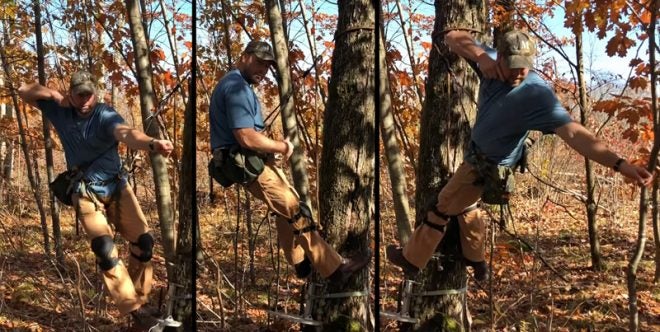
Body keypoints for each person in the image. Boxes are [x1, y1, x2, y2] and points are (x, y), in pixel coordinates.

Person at [387, 29, 653, 281]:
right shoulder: (490, 61)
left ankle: (412, 259)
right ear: (499, 56)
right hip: (477, 155)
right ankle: (476, 260)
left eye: (523, 66)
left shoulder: (537, 96)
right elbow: (453, 37)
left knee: (442, 206)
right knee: (467, 205)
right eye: (511, 64)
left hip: (486, 166)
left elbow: (575, 134)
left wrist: (620, 164)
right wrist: (480, 57)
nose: (517, 72)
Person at [18, 71, 175, 329]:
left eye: (88, 94)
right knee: (104, 248)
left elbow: (127, 133)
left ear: (95, 93)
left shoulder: (105, 114)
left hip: (116, 186)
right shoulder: (61, 112)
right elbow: (25, 89)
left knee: (144, 243)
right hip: (84, 191)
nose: (84, 100)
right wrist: (57, 96)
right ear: (71, 94)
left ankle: (142, 299)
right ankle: (134, 310)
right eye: (78, 94)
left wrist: (152, 143)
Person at [208, 40, 370, 283]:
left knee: (287, 209)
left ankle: (301, 264)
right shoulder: (237, 87)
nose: (262, 70)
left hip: (251, 163)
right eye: (258, 62)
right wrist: (282, 146)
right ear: (244, 56)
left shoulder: (238, 85)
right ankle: (334, 268)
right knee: (294, 209)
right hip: (245, 164)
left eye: (266, 66)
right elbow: (246, 137)